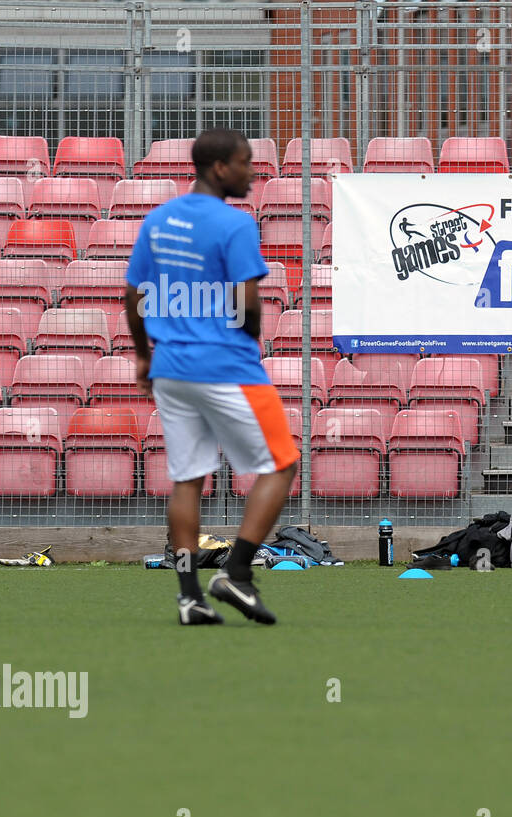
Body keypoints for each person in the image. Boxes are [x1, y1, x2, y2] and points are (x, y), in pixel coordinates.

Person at [123, 127, 298, 625]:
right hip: (226, 366)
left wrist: (142, 357)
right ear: (220, 168)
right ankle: (236, 574)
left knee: (187, 480)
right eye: (245, 162)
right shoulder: (234, 224)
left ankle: (188, 598)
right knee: (282, 463)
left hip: (171, 368)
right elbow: (247, 304)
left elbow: (134, 298)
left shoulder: (157, 221)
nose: (251, 171)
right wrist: (250, 337)